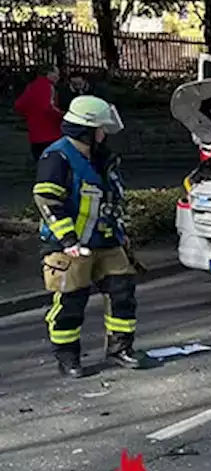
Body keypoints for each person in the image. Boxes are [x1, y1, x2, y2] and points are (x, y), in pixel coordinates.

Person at [33, 96, 144, 378]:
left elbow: (109, 201)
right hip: (69, 247)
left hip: (106, 241)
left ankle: (120, 349)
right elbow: (47, 200)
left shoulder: (100, 158)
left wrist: (122, 236)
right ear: (87, 130)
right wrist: (69, 241)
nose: (104, 134)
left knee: (122, 294)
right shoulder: (57, 157)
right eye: (101, 129)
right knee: (70, 302)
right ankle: (68, 358)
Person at [14, 66, 65, 160]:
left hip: (35, 133)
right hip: (51, 132)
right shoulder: (48, 86)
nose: (58, 76)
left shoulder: (32, 86)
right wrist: (62, 115)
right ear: (49, 74)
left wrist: (30, 115)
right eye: (56, 73)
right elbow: (48, 107)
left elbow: (19, 105)